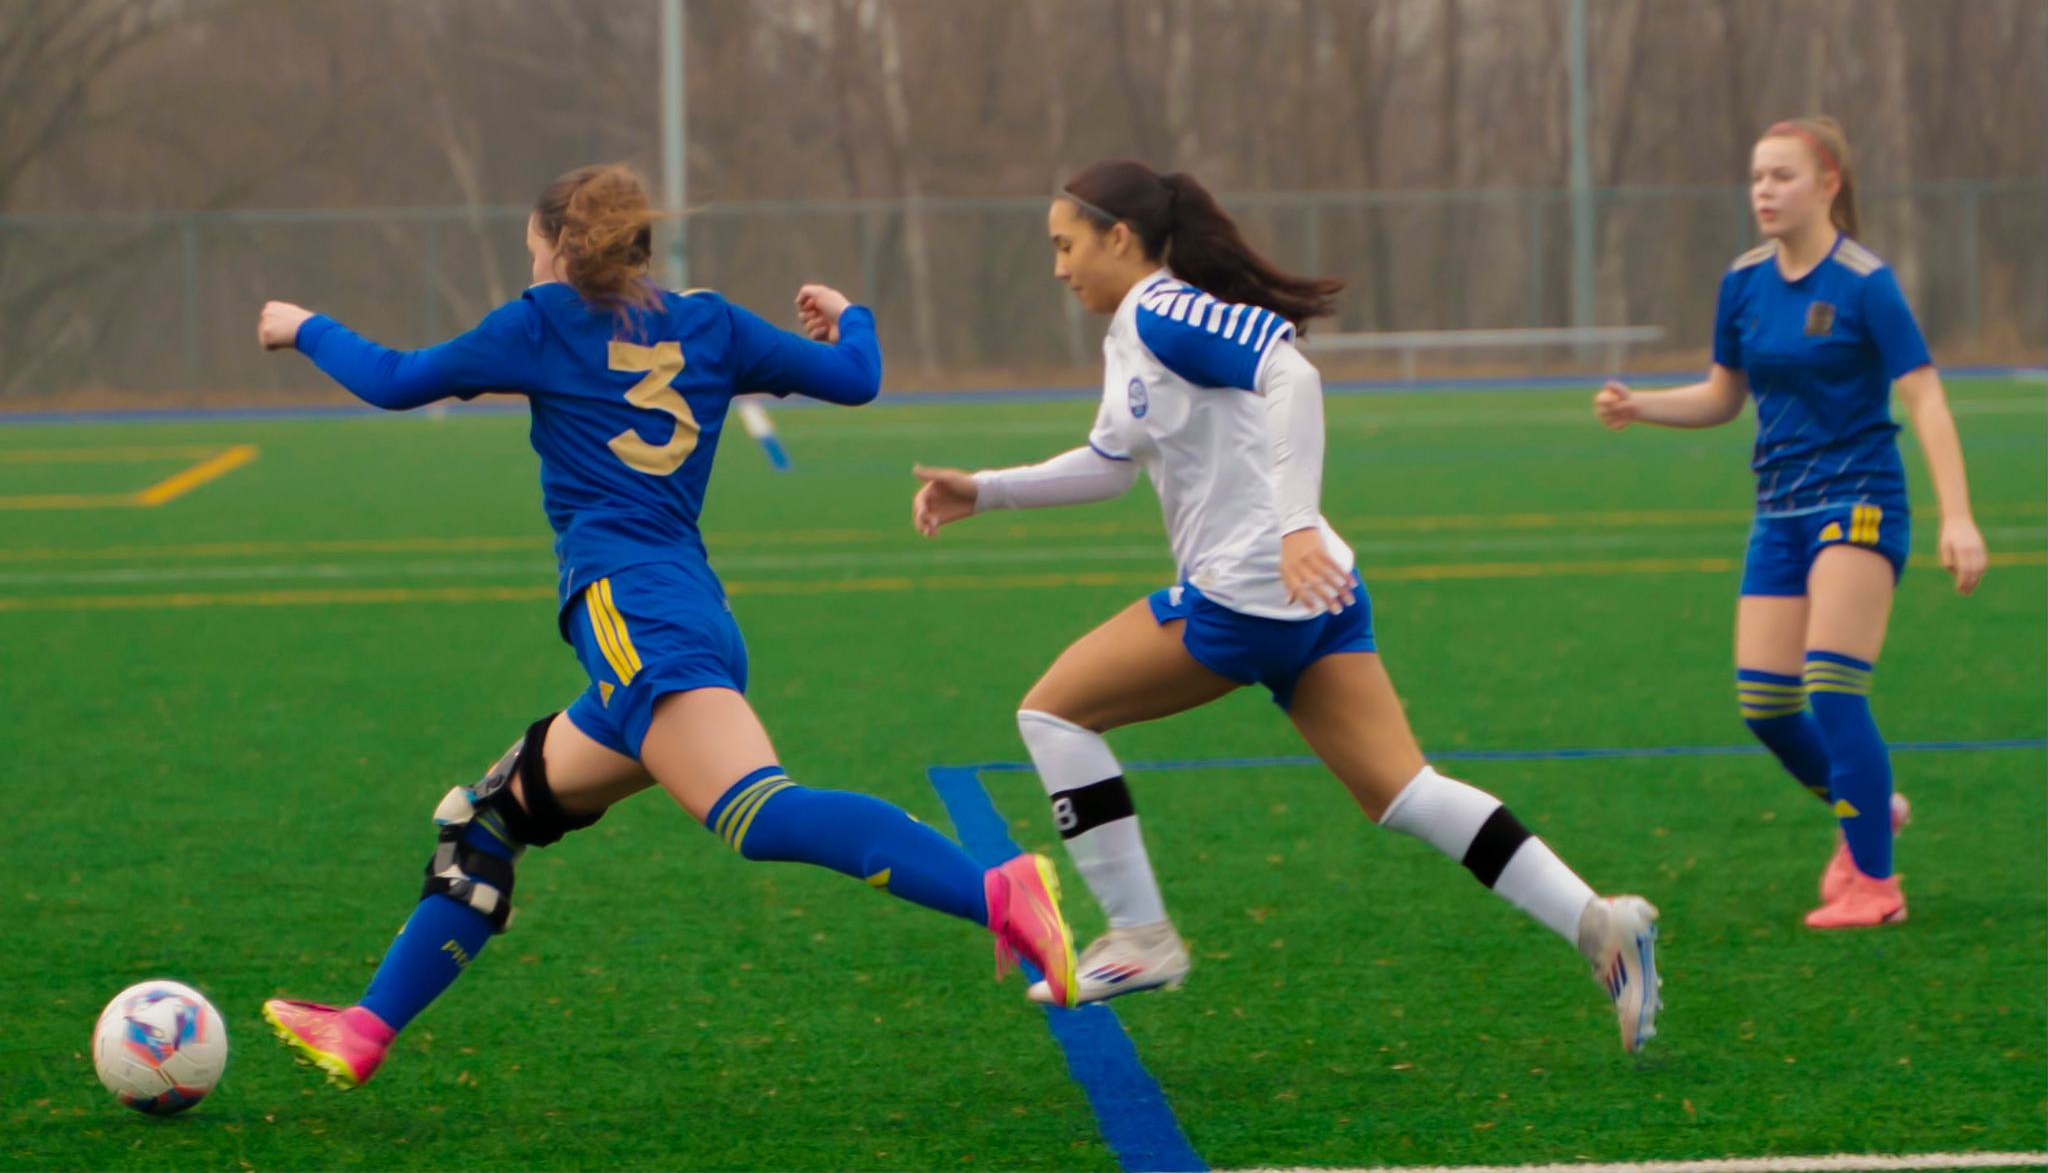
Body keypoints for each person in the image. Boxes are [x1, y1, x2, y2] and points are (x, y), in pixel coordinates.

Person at [255, 163, 1078, 1090]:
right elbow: (857, 378)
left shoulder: (539, 321)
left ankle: (999, 892)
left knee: (763, 815)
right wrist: (852, 315)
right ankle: (365, 1026)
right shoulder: (712, 322)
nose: (528, 268)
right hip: (682, 614)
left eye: (531, 250)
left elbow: (397, 380)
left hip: (633, 616)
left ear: (562, 251)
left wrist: (302, 326)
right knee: (487, 824)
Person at [911, 158, 1662, 1052]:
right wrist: (985, 490)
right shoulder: (1132, 335)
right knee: (1405, 792)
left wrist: (1294, 522)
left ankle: (1141, 936)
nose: (1058, 265)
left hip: (1250, 597)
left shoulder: (1163, 306)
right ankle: (1598, 923)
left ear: (1120, 237)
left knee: (1052, 713)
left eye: (1065, 244)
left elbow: (1292, 377)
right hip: (1316, 597)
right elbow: (1110, 464)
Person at [1594, 117, 1988, 929]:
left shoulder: (1865, 283)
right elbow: (1723, 395)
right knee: (1766, 706)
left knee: (1834, 687)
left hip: (1860, 501)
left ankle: (1876, 887)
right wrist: (1643, 407)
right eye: (1756, 177)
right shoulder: (1742, 282)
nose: (1764, 192)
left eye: (1782, 176)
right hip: (1778, 513)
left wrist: (1959, 515)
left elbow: (1925, 395)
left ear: (1829, 182)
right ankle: (1873, 809)